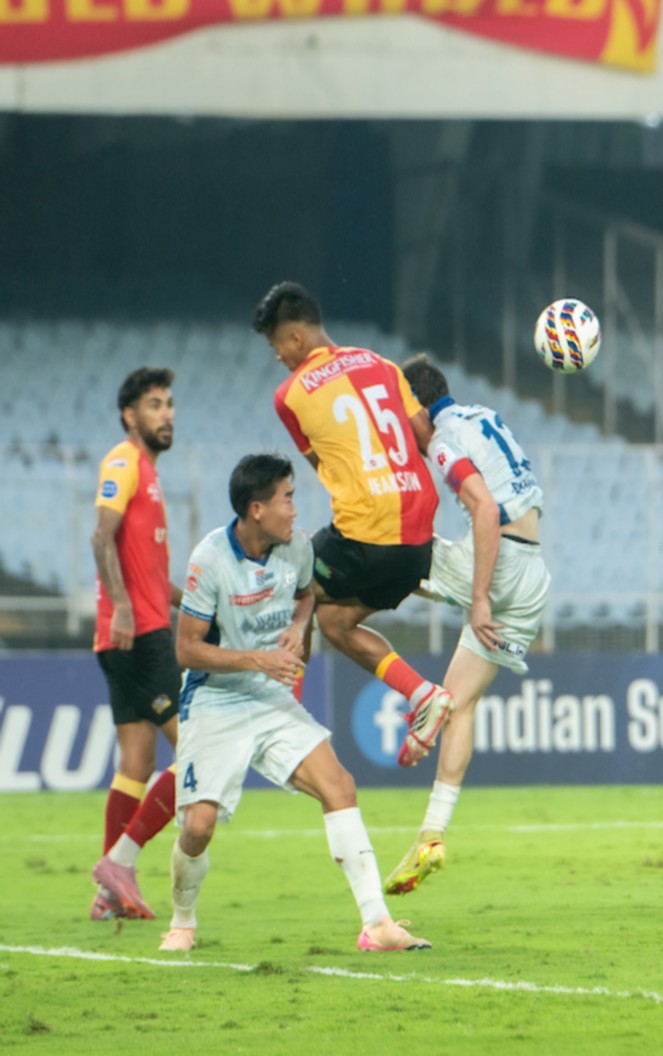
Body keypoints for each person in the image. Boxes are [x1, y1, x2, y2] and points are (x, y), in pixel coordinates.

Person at [161, 454, 428, 953]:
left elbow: (305, 595)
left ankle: (377, 925)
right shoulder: (210, 558)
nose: (294, 509)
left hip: (269, 697)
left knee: (339, 786)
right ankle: (182, 921)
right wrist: (260, 661)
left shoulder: (297, 547)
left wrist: (299, 625)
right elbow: (187, 649)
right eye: (287, 498)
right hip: (215, 698)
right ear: (257, 509)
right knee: (197, 827)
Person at [252, 281, 452, 767]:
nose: (277, 355)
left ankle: (287, 721)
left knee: (289, 582)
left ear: (296, 339)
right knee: (334, 619)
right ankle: (422, 693)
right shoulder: (382, 364)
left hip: (367, 531)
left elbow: (324, 463)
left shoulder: (290, 395)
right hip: (419, 537)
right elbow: (425, 436)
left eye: (276, 344)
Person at [383, 356, 551, 896]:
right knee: (463, 701)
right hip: (533, 573)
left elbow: (482, 511)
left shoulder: (442, 439)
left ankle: (329, 617)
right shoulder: (482, 415)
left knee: (385, 552)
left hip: (499, 567)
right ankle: (431, 835)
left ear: (416, 405)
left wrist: (478, 598)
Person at [88, 367, 184, 922]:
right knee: (195, 749)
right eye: (154, 405)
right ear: (130, 415)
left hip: (132, 630)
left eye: (169, 404)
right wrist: (124, 606)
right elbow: (101, 536)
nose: (166, 414)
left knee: (137, 761)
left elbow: (148, 572)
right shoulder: (124, 461)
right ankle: (121, 864)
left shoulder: (148, 471)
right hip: (137, 635)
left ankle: (109, 892)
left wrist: (193, 604)